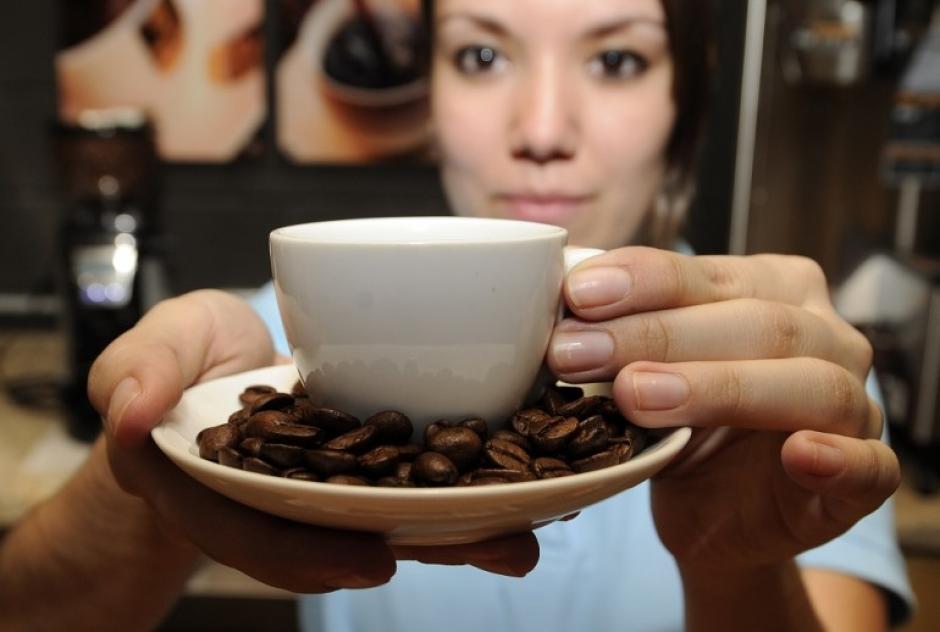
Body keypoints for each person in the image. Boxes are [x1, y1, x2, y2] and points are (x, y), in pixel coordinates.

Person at [1, 0, 914, 630]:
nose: (543, 127)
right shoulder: (289, 369)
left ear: (688, 102)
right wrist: (160, 482)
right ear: (430, 100)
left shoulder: (772, 368)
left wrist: (735, 562)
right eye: (482, 55)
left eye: (616, 58)